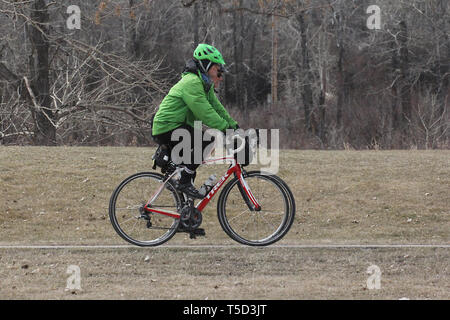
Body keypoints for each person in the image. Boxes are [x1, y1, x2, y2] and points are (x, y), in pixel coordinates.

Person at [151, 44, 239, 199]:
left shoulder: (204, 84)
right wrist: (225, 128)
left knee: (190, 168)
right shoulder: (192, 82)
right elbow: (205, 112)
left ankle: (185, 216)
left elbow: (217, 108)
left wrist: (233, 125)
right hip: (167, 126)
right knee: (207, 141)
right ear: (206, 65)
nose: (220, 74)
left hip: (176, 126)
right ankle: (183, 183)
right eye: (218, 69)